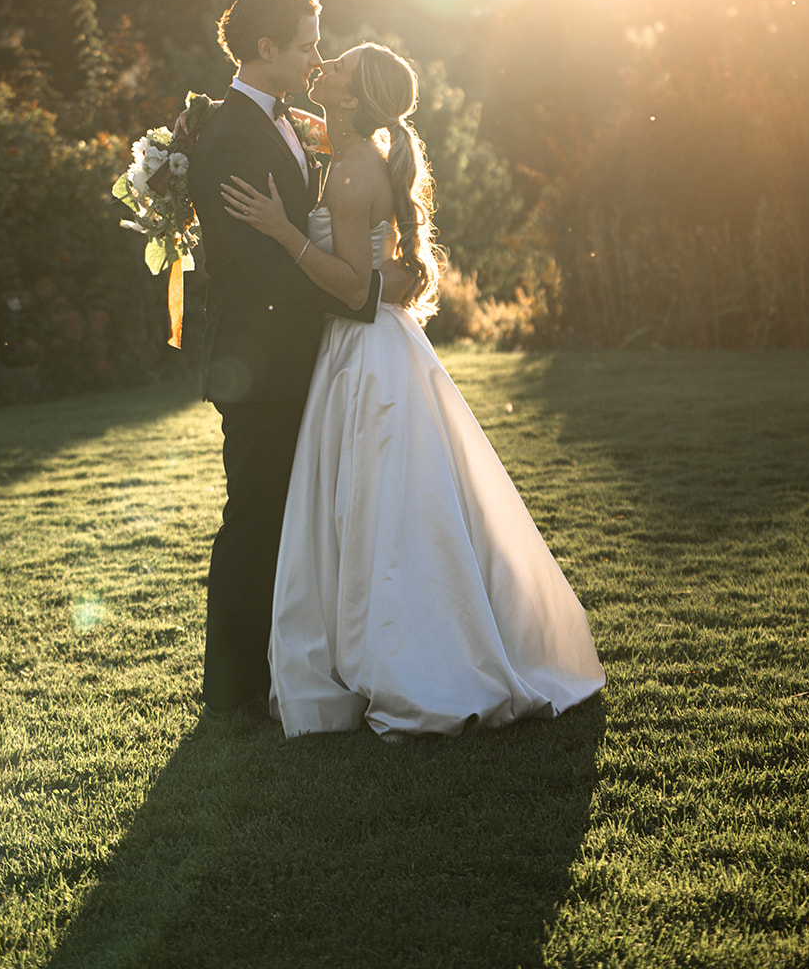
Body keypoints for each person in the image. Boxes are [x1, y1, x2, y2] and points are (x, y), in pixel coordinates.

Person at [222, 41, 606, 738]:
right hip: (381, 349)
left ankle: (408, 660)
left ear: (349, 96)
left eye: (334, 67)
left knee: (377, 507)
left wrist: (280, 230)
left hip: (363, 353)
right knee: (394, 503)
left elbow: (352, 286)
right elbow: (383, 271)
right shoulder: (358, 153)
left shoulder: (350, 172)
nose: (321, 67)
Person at [187, 0, 399, 720]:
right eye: (307, 43)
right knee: (255, 519)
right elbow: (256, 264)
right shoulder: (231, 137)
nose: (316, 56)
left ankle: (290, 668)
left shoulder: (280, 123)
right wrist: (356, 293)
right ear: (265, 49)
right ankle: (231, 693)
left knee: (297, 519)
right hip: (260, 364)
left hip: (301, 354)